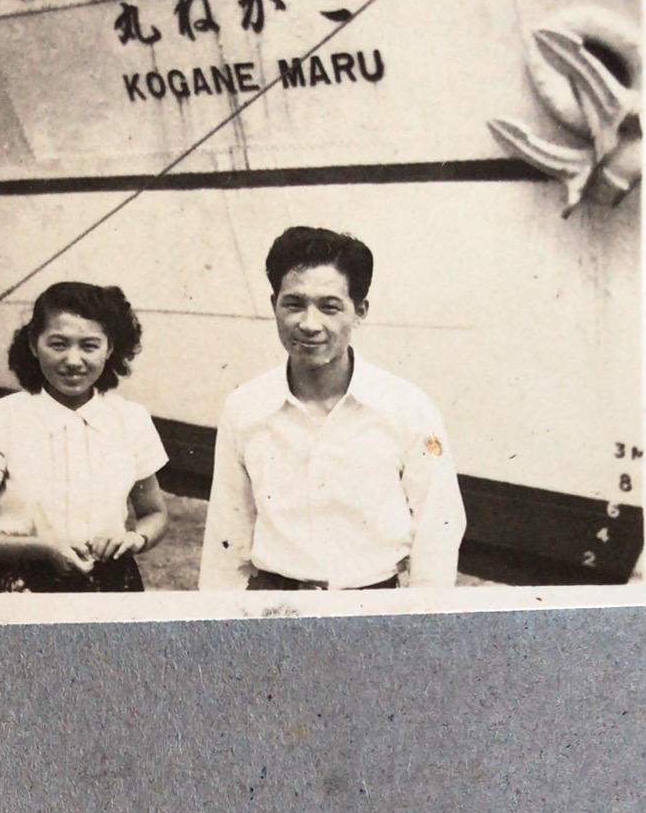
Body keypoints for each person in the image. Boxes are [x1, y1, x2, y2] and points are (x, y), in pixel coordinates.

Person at [199, 225, 467, 591]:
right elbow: (227, 535)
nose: (310, 324)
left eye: (329, 307)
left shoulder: (408, 408)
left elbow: (437, 530)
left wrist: (419, 618)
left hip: (371, 606)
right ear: (274, 304)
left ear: (359, 311)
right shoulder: (245, 408)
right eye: (294, 304)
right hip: (273, 604)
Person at [0, 280, 168, 591]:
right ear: (33, 344)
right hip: (24, 590)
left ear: (110, 348)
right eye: (58, 344)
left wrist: (135, 538)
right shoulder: (0, 418)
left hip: (114, 587)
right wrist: (43, 548)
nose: (73, 361)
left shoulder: (131, 419)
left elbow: (154, 513)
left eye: (89, 346)